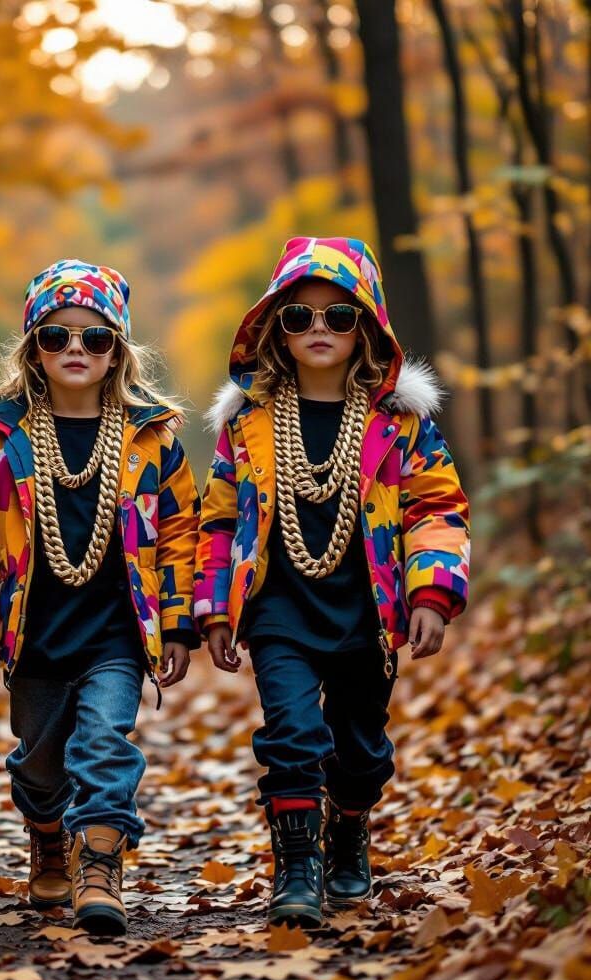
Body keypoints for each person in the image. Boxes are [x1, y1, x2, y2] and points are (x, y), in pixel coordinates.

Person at [195, 236, 470, 927]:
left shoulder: (400, 424)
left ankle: (348, 827)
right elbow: (219, 521)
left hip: (366, 613)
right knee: (292, 737)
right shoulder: (249, 423)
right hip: (279, 609)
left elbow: (436, 507)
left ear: (366, 329)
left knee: (360, 750)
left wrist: (431, 593)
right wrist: (215, 610)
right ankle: (296, 869)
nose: (319, 329)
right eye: (300, 317)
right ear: (275, 331)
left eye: (338, 317)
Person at [0, 259, 199, 935]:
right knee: (38, 759)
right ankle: (47, 828)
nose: (77, 351)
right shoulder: (0, 442)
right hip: (33, 634)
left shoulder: (152, 440)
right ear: (34, 349)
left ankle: (100, 862)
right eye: (57, 337)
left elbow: (181, 532)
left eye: (95, 338)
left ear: (119, 349)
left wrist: (178, 624)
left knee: (104, 742)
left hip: (117, 634)